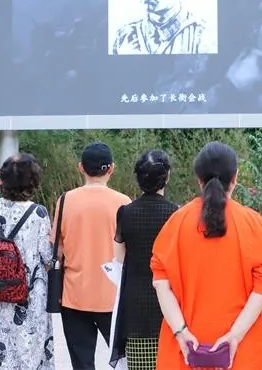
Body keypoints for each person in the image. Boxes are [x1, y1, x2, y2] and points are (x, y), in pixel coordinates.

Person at [150, 141, 262, 370]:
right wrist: (234, 335)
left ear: (199, 179)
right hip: (244, 352)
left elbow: (161, 285)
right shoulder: (251, 223)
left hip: (188, 352)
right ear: (235, 177)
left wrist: (181, 332)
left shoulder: (176, 223)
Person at [0, 154, 55, 370]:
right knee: (28, 344)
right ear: (32, 181)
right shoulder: (38, 213)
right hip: (28, 293)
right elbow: (47, 255)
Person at [53, 142, 132, 369]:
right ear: (111, 168)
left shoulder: (65, 200)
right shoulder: (124, 202)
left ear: (81, 167)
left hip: (74, 295)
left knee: (82, 363)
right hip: (113, 296)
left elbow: (57, 250)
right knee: (125, 361)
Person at [110, 150, 178, 370]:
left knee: (139, 364)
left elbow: (119, 258)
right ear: (167, 176)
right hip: (168, 304)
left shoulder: (125, 213)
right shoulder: (175, 214)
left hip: (134, 304)